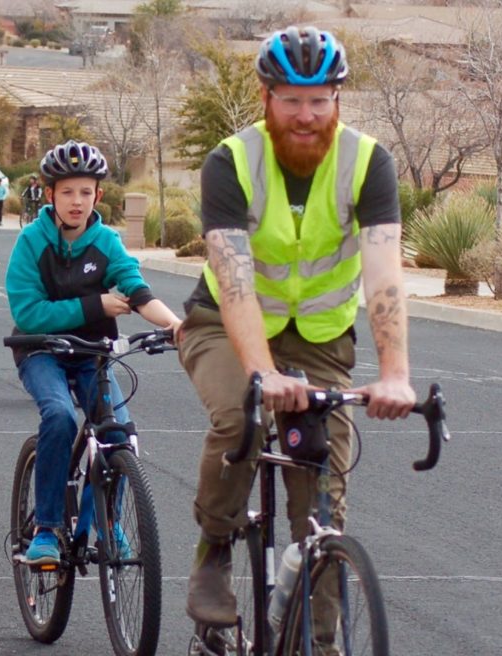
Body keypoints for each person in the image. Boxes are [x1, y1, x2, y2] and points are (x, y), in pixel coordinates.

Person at [177, 26, 417, 634]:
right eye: (291, 99)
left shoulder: (369, 163)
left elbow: (384, 275)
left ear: (338, 99)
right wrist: (262, 373)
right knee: (241, 414)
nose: (306, 115)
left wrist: (395, 376)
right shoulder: (231, 161)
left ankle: (320, 641)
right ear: (266, 98)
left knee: (323, 498)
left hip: (320, 338)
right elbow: (233, 283)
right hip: (222, 325)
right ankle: (215, 549)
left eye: (319, 100)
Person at [5, 139, 181, 565]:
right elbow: (28, 313)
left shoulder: (106, 241)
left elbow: (137, 290)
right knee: (61, 417)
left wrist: (175, 324)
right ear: (50, 195)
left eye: (85, 192)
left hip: (92, 353)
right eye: (67, 192)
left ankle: (105, 522)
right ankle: (46, 528)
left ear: (98, 195)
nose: (77, 201)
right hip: (40, 350)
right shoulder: (31, 242)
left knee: (119, 432)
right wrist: (94, 305)